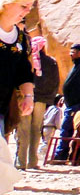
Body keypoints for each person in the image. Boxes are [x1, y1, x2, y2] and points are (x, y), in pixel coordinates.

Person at [0, 0, 37, 147]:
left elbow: (24, 71)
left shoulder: (21, 39)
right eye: (24, 6)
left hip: (3, 107)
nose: (27, 11)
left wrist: (28, 97)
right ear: (6, 3)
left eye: (29, 7)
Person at [17, 40, 60, 169]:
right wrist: (50, 98)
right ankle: (33, 161)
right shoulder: (51, 62)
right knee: (36, 129)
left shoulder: (26, 59)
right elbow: (55, 82)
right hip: (42, 100)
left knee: (23, 129)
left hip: (25, 97)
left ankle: (21, 162)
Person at [55, 43, 80, 161]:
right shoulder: (77, 65)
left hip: (78, 104)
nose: (71, 54)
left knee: (66, 129)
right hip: (71, 103)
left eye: (73, 52)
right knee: (65, 129)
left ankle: (61, 154)